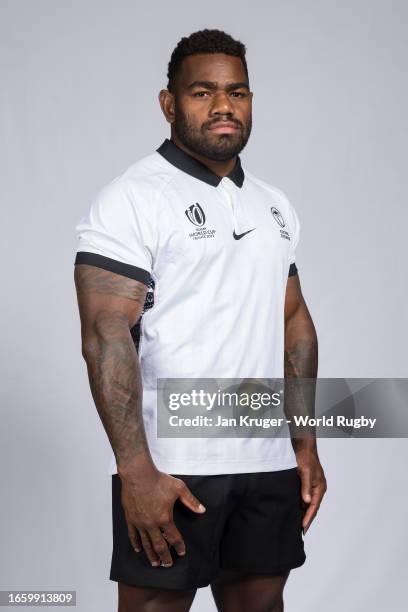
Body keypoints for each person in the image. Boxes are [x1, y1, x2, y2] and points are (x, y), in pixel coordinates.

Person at [74, 28, 327, 612]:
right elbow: (104, 334)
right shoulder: (132, 198)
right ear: (169, 103)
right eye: (202, 92)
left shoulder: (274, 205)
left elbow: (293, 322)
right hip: (174, 465)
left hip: (266, 461)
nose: (223, 107)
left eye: (237, 93)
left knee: (261, 605)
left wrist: (304, 444)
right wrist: (135, 469)